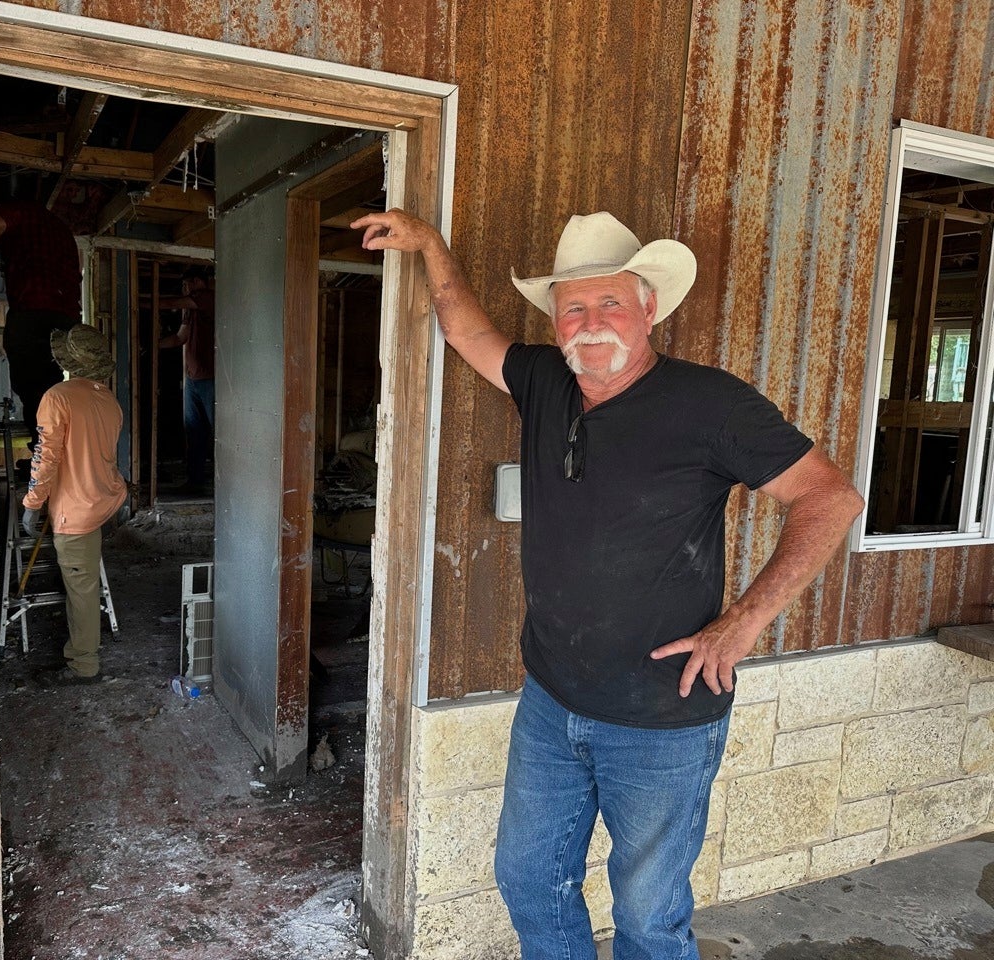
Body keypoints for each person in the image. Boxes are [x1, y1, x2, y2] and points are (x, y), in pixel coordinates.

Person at [349, 208, 864, 959]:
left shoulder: (710, 404)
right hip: (552, 703)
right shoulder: (545, 382)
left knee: (649, 918)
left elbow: (831, 497)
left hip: (663, 716)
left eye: (611, 303)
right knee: (529, 880)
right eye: (574, 307)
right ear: (557, 322)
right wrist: (431, 247)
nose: (592, 322)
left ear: (649, 308)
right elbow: (466, 332)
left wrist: (745, 621)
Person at [22, 324, 127, 687]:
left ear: (66, 360)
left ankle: (84, 665)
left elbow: (45, 457)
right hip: (102, 500)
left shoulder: (58, 397)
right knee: (84, 582)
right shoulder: (108, 400)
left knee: (81, 590)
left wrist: (32, 503)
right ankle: (82, 655)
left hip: (75, 509)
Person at [0, 200, 82, 443]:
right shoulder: (60, 228)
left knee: (31, 384)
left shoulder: (23, 210)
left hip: (34, 307)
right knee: (49, 380)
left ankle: (44, 453)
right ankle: (54, 448)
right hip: (65, 315)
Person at [156, 269, 216, 493]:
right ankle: (195, 481)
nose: (185, 290)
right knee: (194, 431)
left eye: (186, 285)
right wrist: (155, 344)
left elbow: (170, 301)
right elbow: (180, 338)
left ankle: (225, 485)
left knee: (217, 432)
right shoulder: (190, 312)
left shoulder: (206, 297)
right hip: (193, 379)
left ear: (198, 281)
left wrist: (147, 301)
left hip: (211, 378)